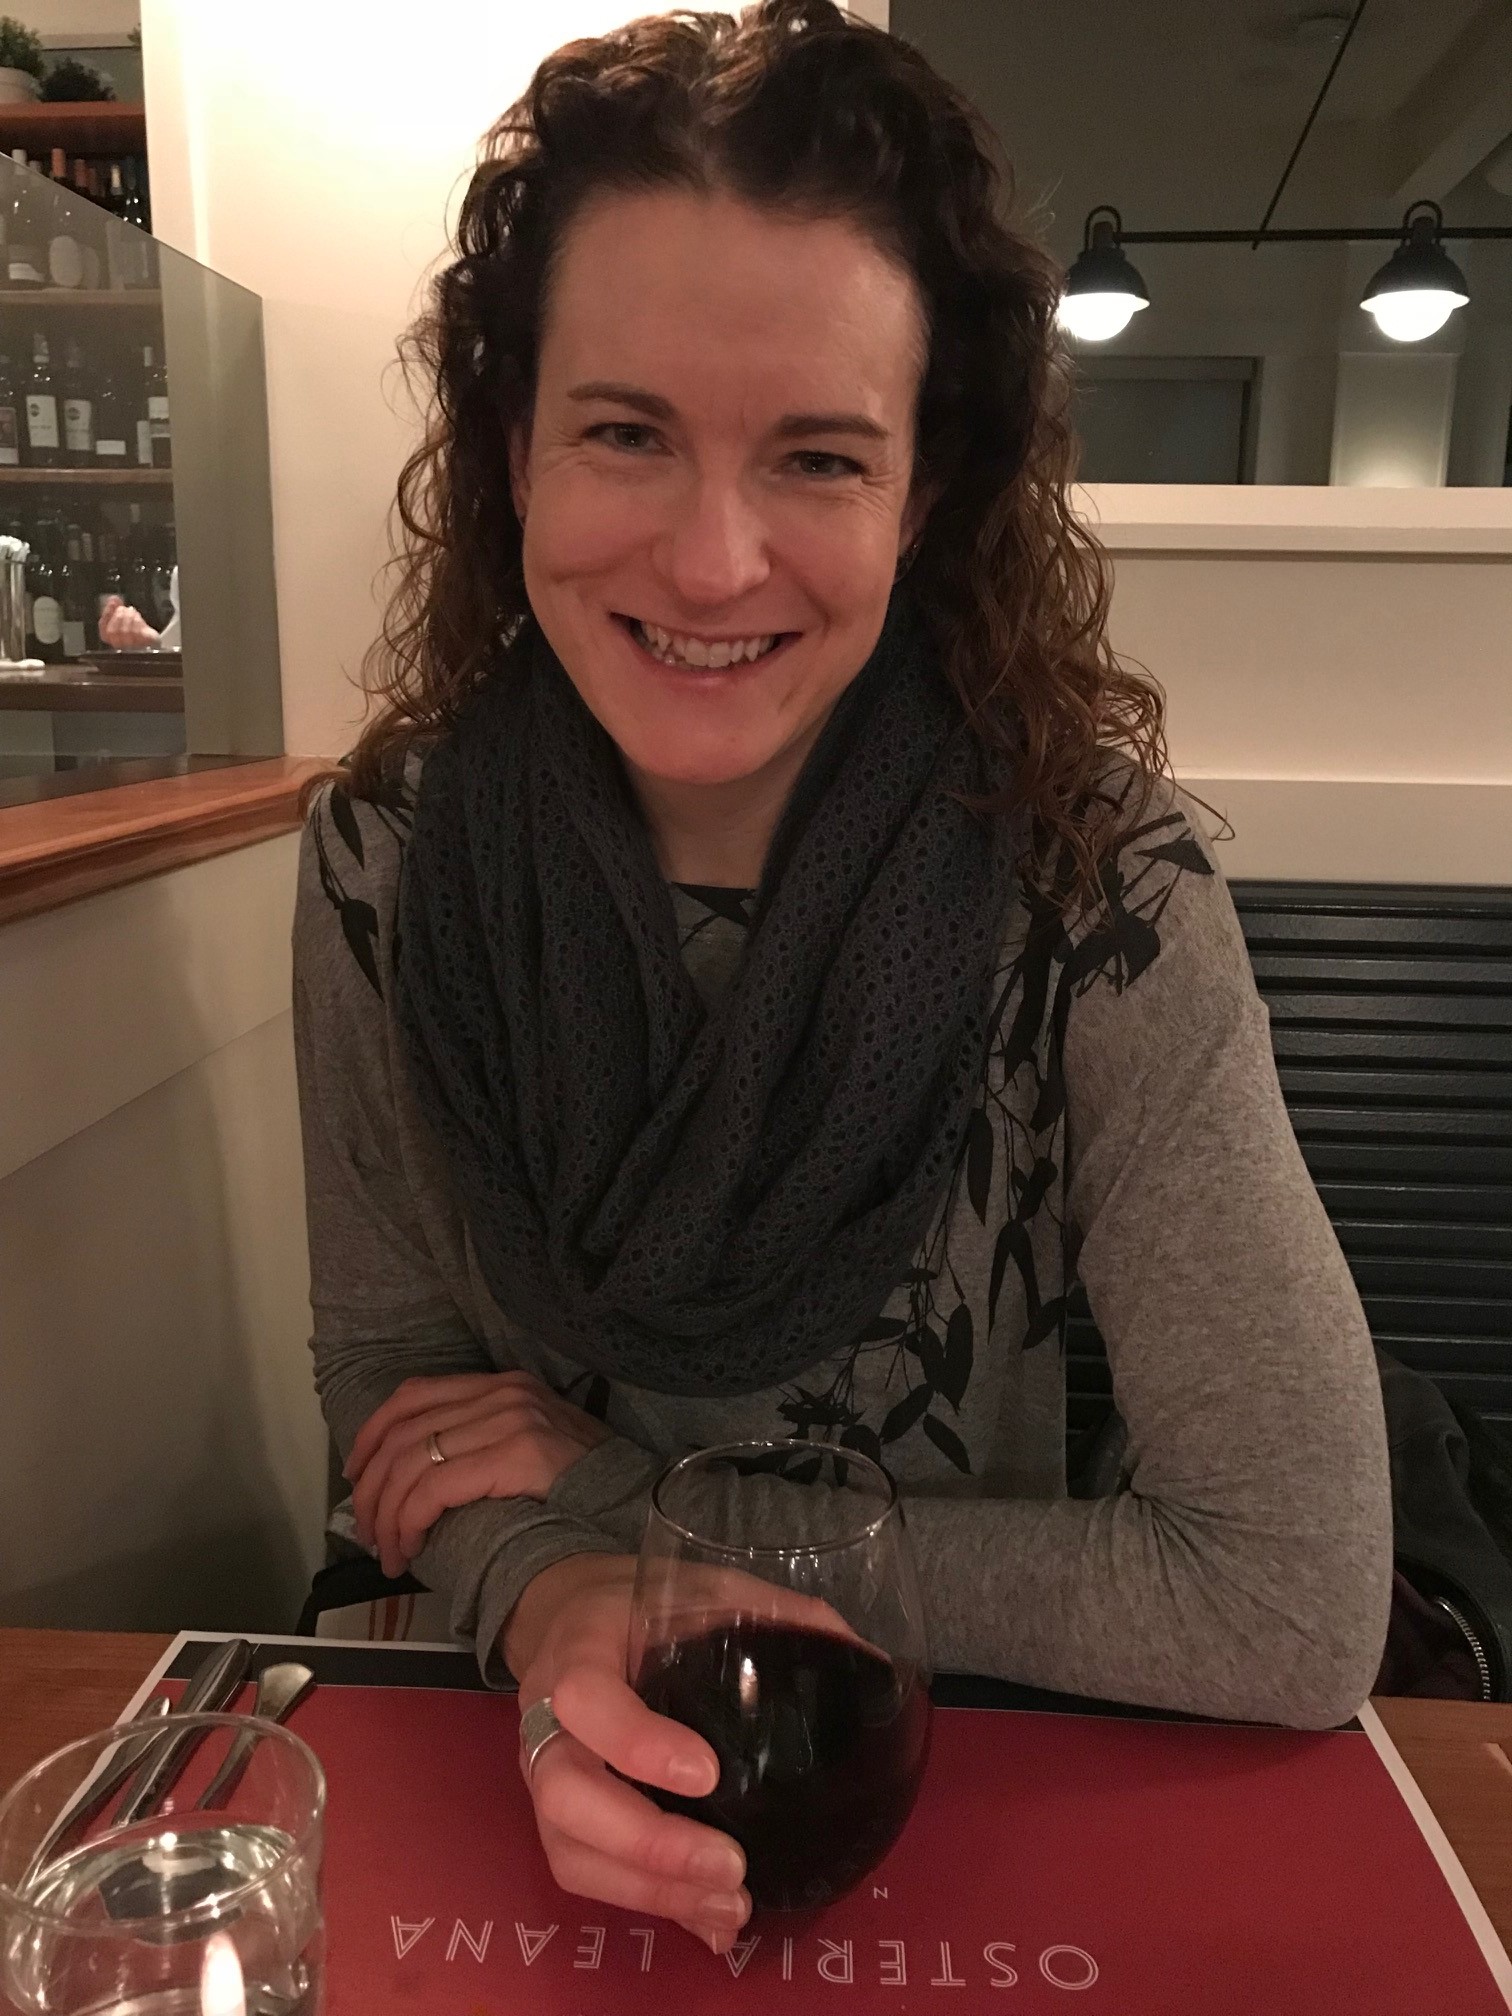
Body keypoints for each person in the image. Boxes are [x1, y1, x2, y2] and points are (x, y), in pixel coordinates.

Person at [292, 0, 1391, 1955]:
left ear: (925, 493)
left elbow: (1288, 1602)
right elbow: (394, 1388)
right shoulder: (383, 865)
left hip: (960, 1801)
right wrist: (550, 1596)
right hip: (516, 1783)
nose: (715, 561)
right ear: (513, 449)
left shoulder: (1103, 899)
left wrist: (622, 1500)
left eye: (816, 455)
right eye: (626, 431)